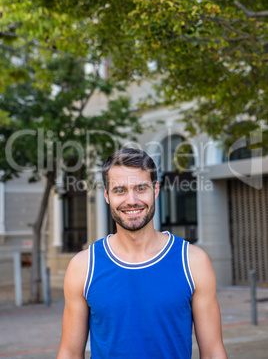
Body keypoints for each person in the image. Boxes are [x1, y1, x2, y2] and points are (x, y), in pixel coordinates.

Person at [57, 148, 227, 359]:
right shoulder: (83, 266)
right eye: (120, 190)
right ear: (107, 195)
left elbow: (212, 353)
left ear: (155, 190)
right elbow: (70, 353)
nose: (132, 200)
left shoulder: (193, 261)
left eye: (141, 188)